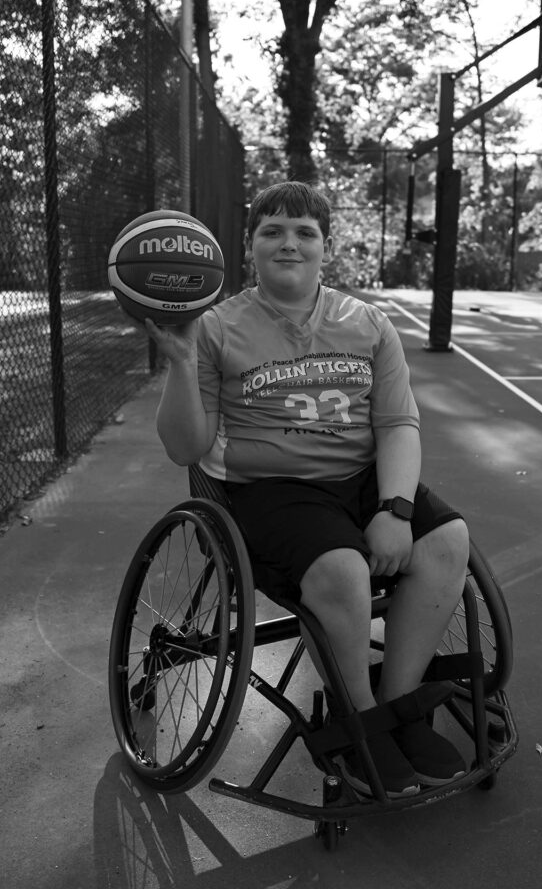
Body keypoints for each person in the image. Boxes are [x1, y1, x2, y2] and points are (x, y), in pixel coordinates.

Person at [145, 181, 469, 798]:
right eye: (272, 231)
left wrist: (397, 511)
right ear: (250, 248)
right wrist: (181, 364)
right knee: (343, 573)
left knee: (448, 541)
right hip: (271, 488)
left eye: (304, 232)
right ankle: (360, 722)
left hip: (360, 478)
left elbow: (398, 425)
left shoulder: (368, 324)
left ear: (326, 247)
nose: (288, 243)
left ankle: (397, 709)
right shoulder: (215, 328)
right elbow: (184, 449)